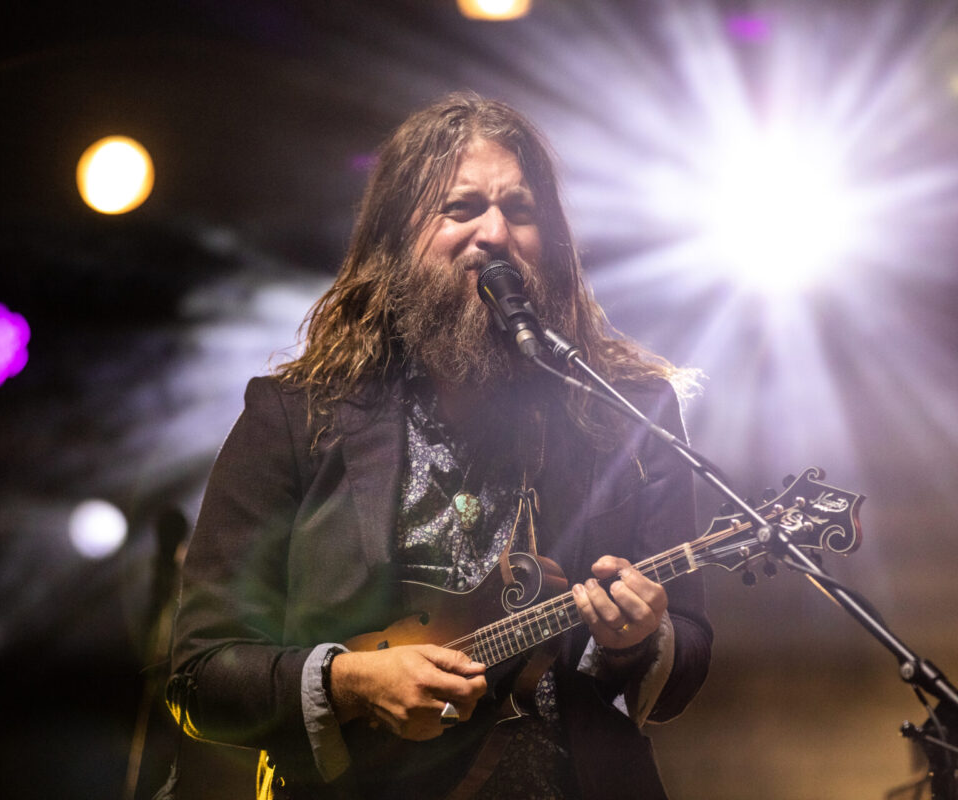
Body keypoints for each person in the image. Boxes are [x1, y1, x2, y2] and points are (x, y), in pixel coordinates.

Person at [166, 92, 712, 800]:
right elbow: (199, 673)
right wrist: (348, 681)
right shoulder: (295, 416)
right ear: (397, 239)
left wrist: (639, 639)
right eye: (462, 209)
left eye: (519, 211)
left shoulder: (626, 414)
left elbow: (690, 646)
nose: (495, 233)